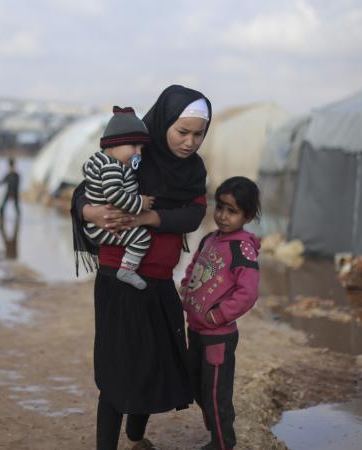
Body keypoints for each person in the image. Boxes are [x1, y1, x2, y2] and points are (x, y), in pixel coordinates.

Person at [71, 85, 212, 450]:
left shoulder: (193, 171)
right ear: (164, 123)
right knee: (119, 367)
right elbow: (85, 189)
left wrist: (148, 216)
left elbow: (194, 214)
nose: (190, 142)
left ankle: (136, 437)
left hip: (160, 281)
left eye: (198, 134)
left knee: (152, 361)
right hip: (119, 279)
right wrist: (91, 211)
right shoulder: (135, 152)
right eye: (183, 132)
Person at [180, 176, 261, 450]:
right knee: (198, 388)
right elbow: (194, 269)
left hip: (218, 336)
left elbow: (247, 293)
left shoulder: (242, 248)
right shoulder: (209, 239)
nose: (223, 216)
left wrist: (217, 315)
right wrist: (186, 293)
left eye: (233, 211)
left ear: (247, 216)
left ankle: (223, 442)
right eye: (220, 207)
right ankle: (217, 432)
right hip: (196, 329)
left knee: (216, 394)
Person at [83, 106, 155, 290]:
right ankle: (127, 269)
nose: (139, 153)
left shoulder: (100, 160)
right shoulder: (112, 167)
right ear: (113, 144)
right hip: (106, 227)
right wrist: (141, 203)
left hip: (98, 225)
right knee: (142, 238)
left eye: (141, 148)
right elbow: (114, 195)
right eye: (133, 146)